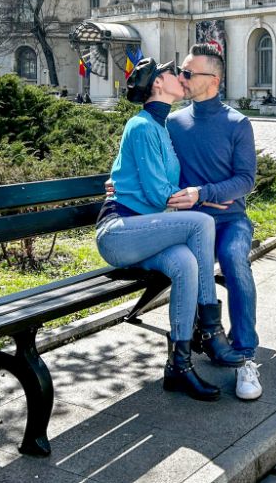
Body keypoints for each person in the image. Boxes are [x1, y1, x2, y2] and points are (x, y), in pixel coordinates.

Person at [95, 57, 244, 402]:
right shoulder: (142, 126)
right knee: (202, 222)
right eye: (173, 74)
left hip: (147, 232)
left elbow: (158, 186)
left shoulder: (161, 127)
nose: (181, 78)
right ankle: (210, 329)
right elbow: (158, 193)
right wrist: (204, 201)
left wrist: (198, 195)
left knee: (185, 264)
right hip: (120, 232)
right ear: (157, 84)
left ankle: (179, 365)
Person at [167, 43, 263, 401]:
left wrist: (202, 192)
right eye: (182, 72)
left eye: (189, 73)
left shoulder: (237, 123)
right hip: (190, 226)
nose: (183, 78)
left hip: (231, 221)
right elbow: (162, 171)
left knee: (236, 261)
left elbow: (246, 180)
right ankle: (204, 337)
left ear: (214, 80)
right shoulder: (174, 122)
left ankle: (245, 357)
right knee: (194, 265)